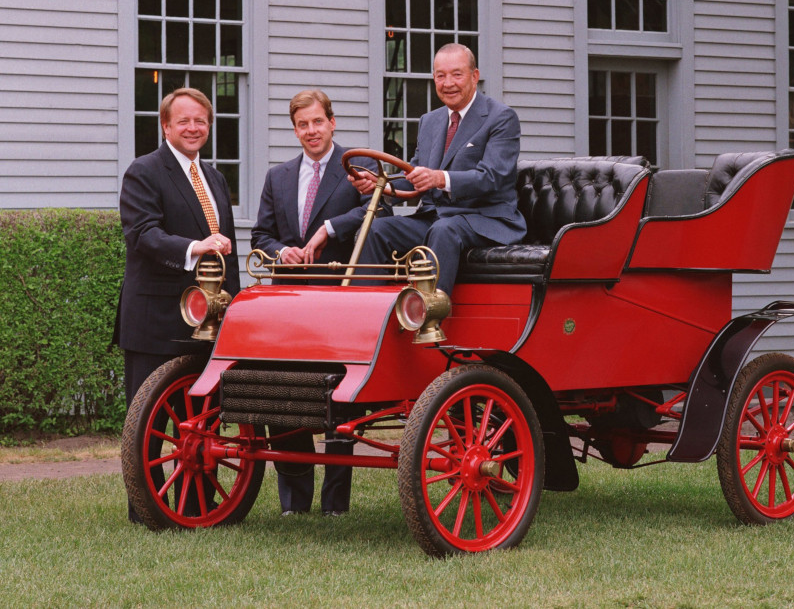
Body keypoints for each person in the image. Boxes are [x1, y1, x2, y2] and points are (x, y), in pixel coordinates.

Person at [251, 89, 384, 516]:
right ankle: (293, 503)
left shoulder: (360, 167)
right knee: (286, 395)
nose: (310, 131)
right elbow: (261, 236)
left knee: (339, 398)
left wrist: (329, 227)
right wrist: (280, 251)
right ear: (295, 130)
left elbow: (379, 217)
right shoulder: (278, 177)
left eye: (317, 122)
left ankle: (335, 505)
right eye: (302, 125)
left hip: (341, 302)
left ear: (332, 122)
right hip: (289, 303)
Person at [114, 87, 240, 523]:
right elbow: (143, 235)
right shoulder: (144, 171)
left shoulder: (216, 178)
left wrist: (234, 307)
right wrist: (195, 248)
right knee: (146, 424)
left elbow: (227, 252)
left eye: (200, 121)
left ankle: (196, 504)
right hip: (155, 317)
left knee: (200, 420)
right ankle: (144, 510)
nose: (193, 128)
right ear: (165, 125)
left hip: (206, 321)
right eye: (183, 120)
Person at [350, 43, 526, 296]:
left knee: (444, 230)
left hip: (484, 219)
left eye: (457, 74)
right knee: (379, 229)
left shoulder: (501, 117)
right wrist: (381, 185)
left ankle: (426, 318)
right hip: (436, 218)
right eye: (440, 75)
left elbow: (492, 177)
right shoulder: (430, 121)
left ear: (474, 76)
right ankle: (365, 316)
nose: (448, 83)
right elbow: (414, 177)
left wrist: (439, 178)